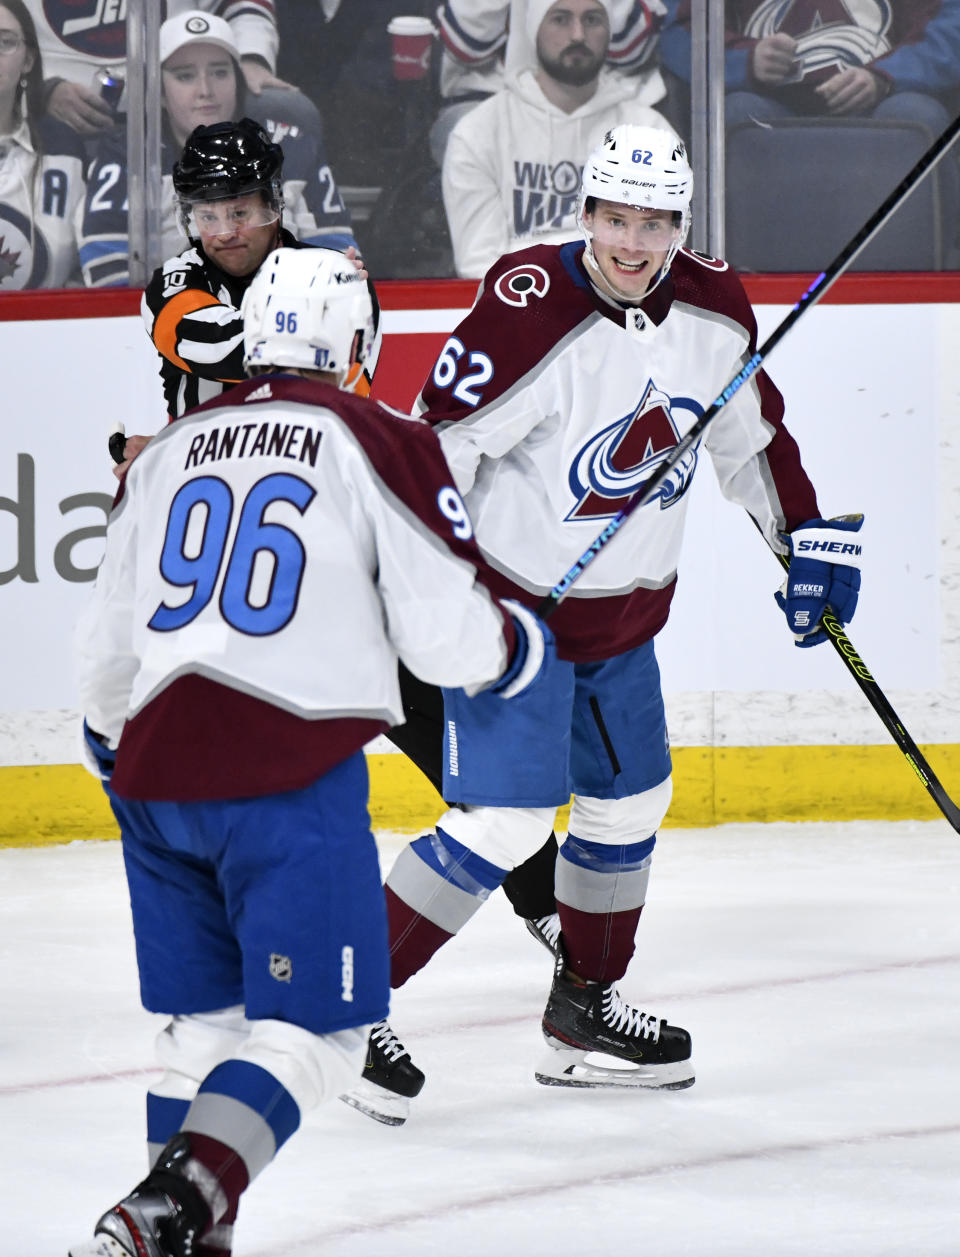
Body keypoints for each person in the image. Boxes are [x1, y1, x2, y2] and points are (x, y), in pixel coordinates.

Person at [357, 122, 866, 1121]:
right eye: (616, 219)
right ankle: (343, 1009)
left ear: (682, 225)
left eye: (655, 223)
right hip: (514, 623)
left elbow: (750, 441)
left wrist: (805, 541)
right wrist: (428, 593)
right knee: (505, 819)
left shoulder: (716, 309)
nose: (633, 244)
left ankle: (582, 1011)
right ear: (585, 214)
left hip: (624, 625)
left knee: (629, 808)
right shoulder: (527, 305)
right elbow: (435, 455)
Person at [69, 245, 553, 1257]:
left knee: (203, 1036)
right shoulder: (374, 434)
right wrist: (513, 646)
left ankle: (181, 1234)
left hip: (154, 779)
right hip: (284, 770)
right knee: (321, 1036)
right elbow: (435, 633)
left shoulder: (167, 449)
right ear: (357, 339)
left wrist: (119, 749)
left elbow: (107, 654)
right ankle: (172, 1207)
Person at [76, 10, 355, 289]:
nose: (205, 90)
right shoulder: (128, 156)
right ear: (159, 92)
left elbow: (338, 256)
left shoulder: (290, 147)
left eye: (220, 72)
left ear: (238, 82)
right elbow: (107, 270)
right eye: (185, 76)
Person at [442, 0, 675, 277]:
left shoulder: (650, 134)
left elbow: (654, 260)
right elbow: (478, 268)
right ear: (533, 30)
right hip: (517, 313)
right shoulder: (478, 134)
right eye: (560, 19)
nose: (577, 35)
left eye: (592, 20)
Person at [431, 0, 668, 165]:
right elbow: (466, 45)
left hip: (601, 101)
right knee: (466, 138)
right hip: (491, 97)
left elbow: (631, 50)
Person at [29, 0, 297, 140]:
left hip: (176, 109)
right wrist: (36, 93)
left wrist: (251, 57)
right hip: (47, 120)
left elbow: (243, 4)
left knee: (280, 109)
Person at [0, 0, 85, 290]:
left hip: (47, 329)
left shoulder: (64, 147)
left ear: (28, 60)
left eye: (5, 41)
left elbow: (80, 267)